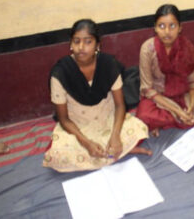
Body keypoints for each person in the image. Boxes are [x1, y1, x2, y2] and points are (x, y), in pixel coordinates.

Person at [43, 19, 151, 172]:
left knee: (138, 128)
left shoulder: (109, 64)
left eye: (88, 42)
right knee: (59, 154)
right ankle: (118, 152)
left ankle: (108, 151)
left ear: (97, 46)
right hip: (78, 124)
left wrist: (115, 136)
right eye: (76, 41)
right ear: (71, 45)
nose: (81, 47)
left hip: (107, 118)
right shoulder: (61, 73)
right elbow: (64, 119)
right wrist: (86, 143)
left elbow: (120, 105)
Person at [136, 4, 194, 136]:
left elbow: (193, 82)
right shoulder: (147, 49)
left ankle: (170, 122)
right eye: (162, 26)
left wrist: (191, 107)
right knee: (143, 116)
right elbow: (147, 89)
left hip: (183, 95)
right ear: (155, 28)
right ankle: (180, 119)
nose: (167, 31)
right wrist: (178, 111)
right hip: (158, 98)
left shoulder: (186, 47)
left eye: (172, 26)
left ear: (180, 28)